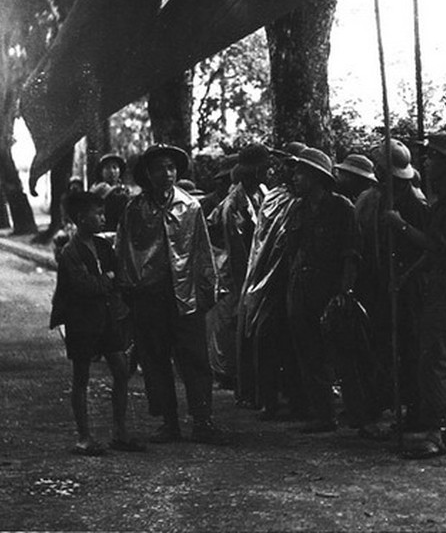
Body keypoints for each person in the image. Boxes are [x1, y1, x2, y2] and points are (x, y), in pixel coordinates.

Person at [115, 144, 225, 445]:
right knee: (154, 359)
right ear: (147, 174)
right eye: (159, 168)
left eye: (171, 168)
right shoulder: (135, 209)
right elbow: (124, 250)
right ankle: (169, 421)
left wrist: (207, 290)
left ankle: (203, 420)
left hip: (184, 294)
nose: (167, 174)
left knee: (195, 358)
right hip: (149, 295)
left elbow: (202, 251)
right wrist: (127, 289)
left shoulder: (190, 207)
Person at [387, 131, 446, 459]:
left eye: (433, 157)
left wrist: (400, 227)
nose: (426, 162)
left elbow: (436, 246)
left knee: (439, 358)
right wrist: (408, 275)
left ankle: (433, 431)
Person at [49, 190, 143, 455]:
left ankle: (120, 432)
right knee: (81, 377)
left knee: (122, 369)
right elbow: (84, 286)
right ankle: (84, 436)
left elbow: (117, 273)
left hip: (105, 317)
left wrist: (110, 281)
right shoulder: (70, 251)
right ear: (81, 218)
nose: (103, 219)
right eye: (97, 214)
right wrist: (107, 280)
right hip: (81, 320)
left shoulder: (102, 246)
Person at [351, 140, 428, 438]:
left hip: (408, 288)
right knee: (381, 347)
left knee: (410, 350)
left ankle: (415, 412)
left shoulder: (414, 202)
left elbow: (428, 248)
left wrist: (401, 228)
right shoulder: (372, 199)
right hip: (379, 285)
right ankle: (381, 403)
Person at [284, 147, 360, 433]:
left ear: (316, 177)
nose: (295, 178)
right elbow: (293, 251)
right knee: (309, 351)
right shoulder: (298, 209)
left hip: (330, 289)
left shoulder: (341, 208)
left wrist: (344, 293)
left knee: (342, 354)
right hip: (303, 289)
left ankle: (356, 411)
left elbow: (351, 254)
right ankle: (323, 413)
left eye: (301, 173)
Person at [237, 142, 306, 418]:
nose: (287, 170)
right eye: (285, 165)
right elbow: (262, 243)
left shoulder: (302, 201)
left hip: (292, 278)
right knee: (264, 337)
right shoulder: (274, 197)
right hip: (267, 281)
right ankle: (267, 398)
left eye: (294, 166)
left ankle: (295, 399)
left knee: (292, 343)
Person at [207, 144, 271, 391]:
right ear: (254, 172)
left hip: (255, 272)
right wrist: (247, 287)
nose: (269, 174)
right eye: (264, 169)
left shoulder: (262, 193)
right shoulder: (232, 206)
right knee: (235, 327)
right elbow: (236, 253)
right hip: (236, 276)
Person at [92, 153, 132, 233]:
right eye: (107, 168)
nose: (112, 171)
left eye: (115, 167)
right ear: (101, 172)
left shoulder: (124, 189)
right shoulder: (99, 188)